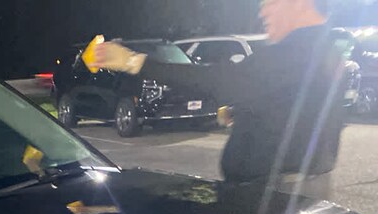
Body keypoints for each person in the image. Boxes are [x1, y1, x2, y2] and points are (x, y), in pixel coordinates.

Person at [92, 0, 347, 198]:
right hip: (296, 189)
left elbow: (215, 81)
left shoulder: (295, 51)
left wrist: (133, 61)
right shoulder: (325, 50)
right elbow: (292, 107)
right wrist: (246, 114)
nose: (263, 13)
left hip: (276, 198)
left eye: (270, 3)